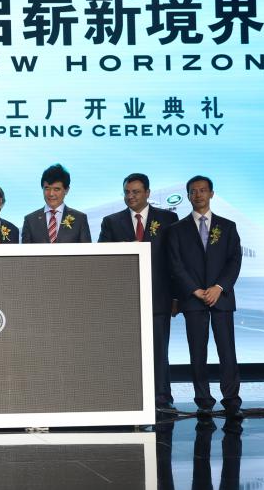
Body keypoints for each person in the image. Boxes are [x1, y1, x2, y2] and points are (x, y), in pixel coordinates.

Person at [98, 173, 180, 412]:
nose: (130, 196)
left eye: (135, 192)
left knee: (159, 351)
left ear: (148, 193)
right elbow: (102, 260)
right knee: (125, 352)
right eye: (127, 192)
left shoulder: (168, 219)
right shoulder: (111, 222)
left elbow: (176, 260)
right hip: (124, 301)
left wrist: (176, 296)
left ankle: (162, 399)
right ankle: (127, 398)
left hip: (159, 297)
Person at [167, 175, 243, 418]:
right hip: (193, 299)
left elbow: (234, 261)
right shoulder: (176, 230)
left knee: (227, 351)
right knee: (197, 353)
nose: (198, 194)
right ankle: (203, 400)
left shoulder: (227, 226)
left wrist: (218, 287)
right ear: (188, 196)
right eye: (193, 191)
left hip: (221, 297)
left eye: (202, 190)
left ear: (211, 194)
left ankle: (231, 400)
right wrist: (194, 290)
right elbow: (175, 264)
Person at [22, 163, 92, 243]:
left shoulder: (80, 219)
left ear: (66, 190)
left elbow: (86, 250)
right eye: (47, 188)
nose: (51, 194)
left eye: (56, 189)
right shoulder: (30, 220)